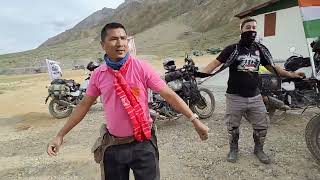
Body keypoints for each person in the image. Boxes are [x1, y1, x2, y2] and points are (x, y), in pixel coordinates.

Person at [47, 22, 209, 180]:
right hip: (113, 146)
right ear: (103, 45)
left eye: (123, 38)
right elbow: (83, 106)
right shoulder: (98, 74)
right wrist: (60, 135)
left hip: (143, 143)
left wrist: (194, 120)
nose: (120, 43)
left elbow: (169, 95)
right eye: (114, 39)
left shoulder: (141, 68)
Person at [202, 18, 304, 164]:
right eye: (248, 27)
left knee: (262, 126)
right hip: (234, 96)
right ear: (241, 29)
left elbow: (273, 68)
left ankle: (258, 149)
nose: (251, 30)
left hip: (255, 96)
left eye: (253, 28)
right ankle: (234, 149)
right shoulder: (232, 49)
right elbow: (213, 65)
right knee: (233, 127)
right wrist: (199, 76)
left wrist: (292, 75)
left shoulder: (259, 50)